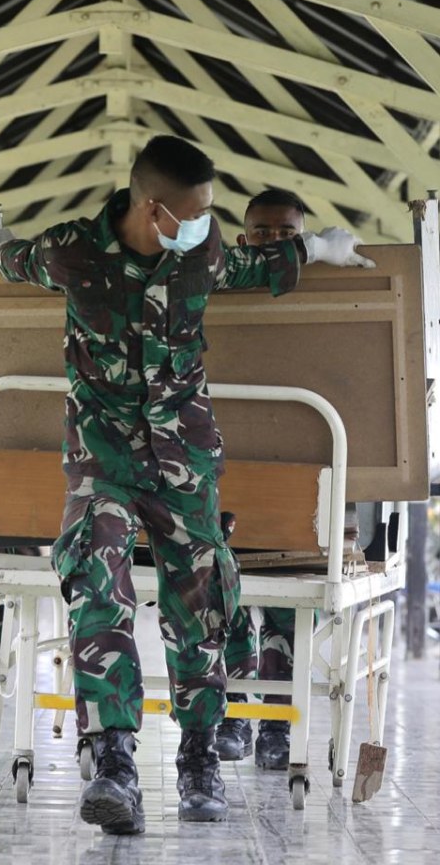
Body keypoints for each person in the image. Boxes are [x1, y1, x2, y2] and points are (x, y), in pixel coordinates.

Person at [0, 137, 374, 834]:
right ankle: (115, 763)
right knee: (95, 582)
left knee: (201, 602)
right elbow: (12, 257)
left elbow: (247, 264)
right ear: (154, 210)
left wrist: (319, 249)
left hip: (185, 464)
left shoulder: (200, 251)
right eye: (196, 210)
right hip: (102, 462)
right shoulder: (73, 251)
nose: (206, 222)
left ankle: (199, 758)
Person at [214, 189, 332, 771]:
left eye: (288, 234)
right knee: (222, 593)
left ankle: (277, 726)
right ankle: (235, 710)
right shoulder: (217, 295)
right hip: (226, 478)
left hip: (294, 488)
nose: (275, 243)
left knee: (288, 613)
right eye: (263, 233)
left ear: (303, 239)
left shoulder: (322, 301)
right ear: (242, 241)